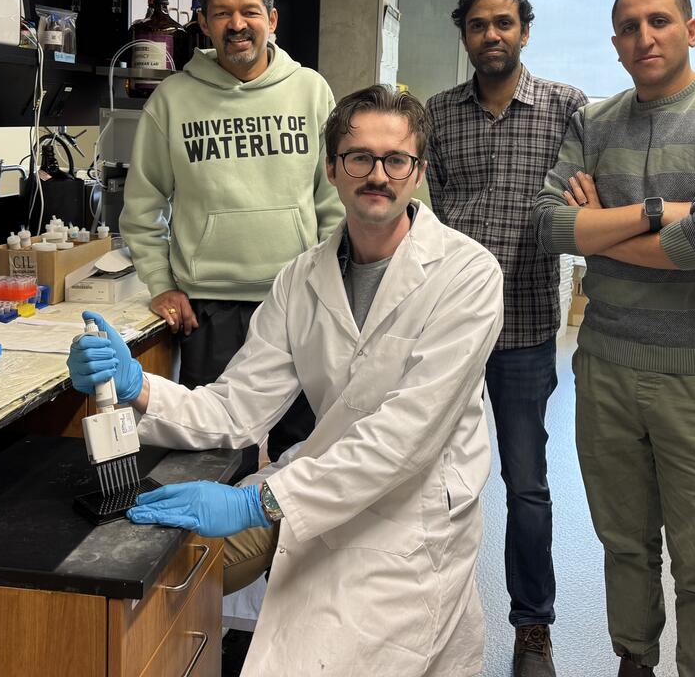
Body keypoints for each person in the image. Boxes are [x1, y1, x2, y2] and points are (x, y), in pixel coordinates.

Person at [71, 85, 503, 676]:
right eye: (359, 158)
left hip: (413, 512)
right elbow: (237, 409)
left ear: (419, 172)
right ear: (331, 169)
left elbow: (406, 438)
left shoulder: (467, 275)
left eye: (396, 160)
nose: (378, 175)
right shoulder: (300, 279)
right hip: (321, 482)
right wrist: (136, 386)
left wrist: (259, 500)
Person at [531, 0, 695, 677]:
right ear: (616, 43)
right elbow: (549, 225)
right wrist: (656, 211)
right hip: (607, 371)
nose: (645, 37)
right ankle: (633, 662)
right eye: (629, 27)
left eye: (660, 21)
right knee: (624, 546)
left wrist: (600, 229)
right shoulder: (595, 123)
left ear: (690, 30)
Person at [425, 0, 586, 677]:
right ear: (464, 35)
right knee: (430, 475)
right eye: (478, 25)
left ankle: (533, 629)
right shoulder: (437, 114)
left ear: (524, 30)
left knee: (526, 483)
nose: (491, 35)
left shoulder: (566, 108)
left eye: (504, 23)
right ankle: (426, 616)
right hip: (449, 325)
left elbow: (583, 198)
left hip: (524, 322)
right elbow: (429, 212)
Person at [120, 0, 342, 463]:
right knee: (213, 450)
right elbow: (142, 207)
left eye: (250, 11)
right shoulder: (172, 100)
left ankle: (282, 523)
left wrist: (331, 286)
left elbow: (332, 201)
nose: (237, 24)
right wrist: (161, 283)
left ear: (272, 18)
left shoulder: (311, 91)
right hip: (210, 309)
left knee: (303, 452)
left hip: (300, 300)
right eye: (222, 13)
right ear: (203, 21)